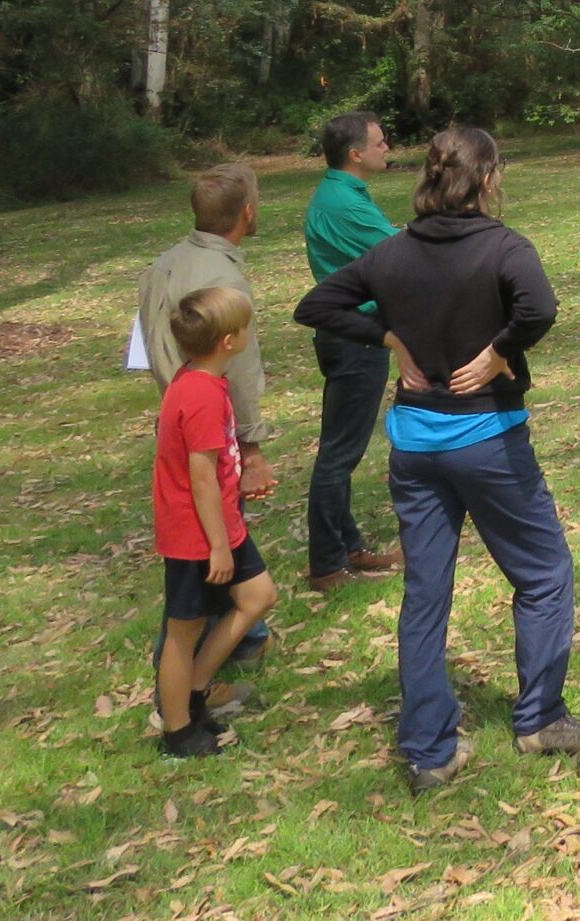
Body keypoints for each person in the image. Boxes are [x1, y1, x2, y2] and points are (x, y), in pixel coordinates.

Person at [295, 128, 580, 794]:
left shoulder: (390, 254)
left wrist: (388, 336)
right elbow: (541, 307)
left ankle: (429, 749)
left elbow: (318, 304)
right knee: (544, 572)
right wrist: (498, 351)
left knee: (426, 592)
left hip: (415, 448)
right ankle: (541, 718)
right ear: (487, 176)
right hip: (488, 443)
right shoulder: (504, 248)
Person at [138, 163, 276, 685]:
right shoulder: (224, 282)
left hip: (177, 419)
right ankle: (187, 684)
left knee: (207, 553)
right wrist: (253, 449)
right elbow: (238, 373)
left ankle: (237, 646)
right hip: (208, 433)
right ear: (246, 212)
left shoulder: (163, 264)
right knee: (201, 562)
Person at [152, 286, 281, 758]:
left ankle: (195, 689)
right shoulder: (200, 393)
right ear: (228, 340)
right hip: (198, 536)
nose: (249, 331)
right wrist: (219, 546)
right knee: (183, 631)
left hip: (221, 524)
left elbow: (216, 466)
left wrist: (240, 479)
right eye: (246, 325)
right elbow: (200, 477)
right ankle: (178, 730)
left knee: (258, 596)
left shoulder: (198, 380)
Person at [302, 111, 406, 593]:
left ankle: (348, 546)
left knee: (342, 449)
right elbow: (399, 253)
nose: (388, 149)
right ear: (355, 154)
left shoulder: (344, 196)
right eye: (381, 144)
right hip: (353, 335)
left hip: (351, 332)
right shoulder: (343, 203)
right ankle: (326, 564)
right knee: (339, 454)